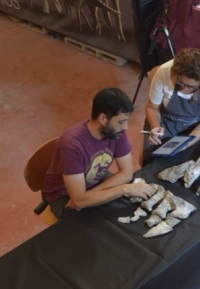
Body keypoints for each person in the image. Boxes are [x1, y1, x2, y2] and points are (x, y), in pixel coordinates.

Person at [42, 88, 156, 219]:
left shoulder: (116, 132)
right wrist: (124, 189)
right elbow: (78, 201)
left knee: (128, 204)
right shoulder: (71, 145)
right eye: (121, 121)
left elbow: (126, 173)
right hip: (64, 196)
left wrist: (93, 193)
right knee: (98, 224)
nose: (125, 127)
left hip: (92, 182)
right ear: (103, 118)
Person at [144, 47, 200, 165]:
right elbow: (152, 107)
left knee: (197, 159)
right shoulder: (164, 71)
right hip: (167, 122)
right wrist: (155, 126)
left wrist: (188, 141)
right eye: (180, 83)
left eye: (191, 87)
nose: (184, 89)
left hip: (198, 125)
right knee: (151, 160)